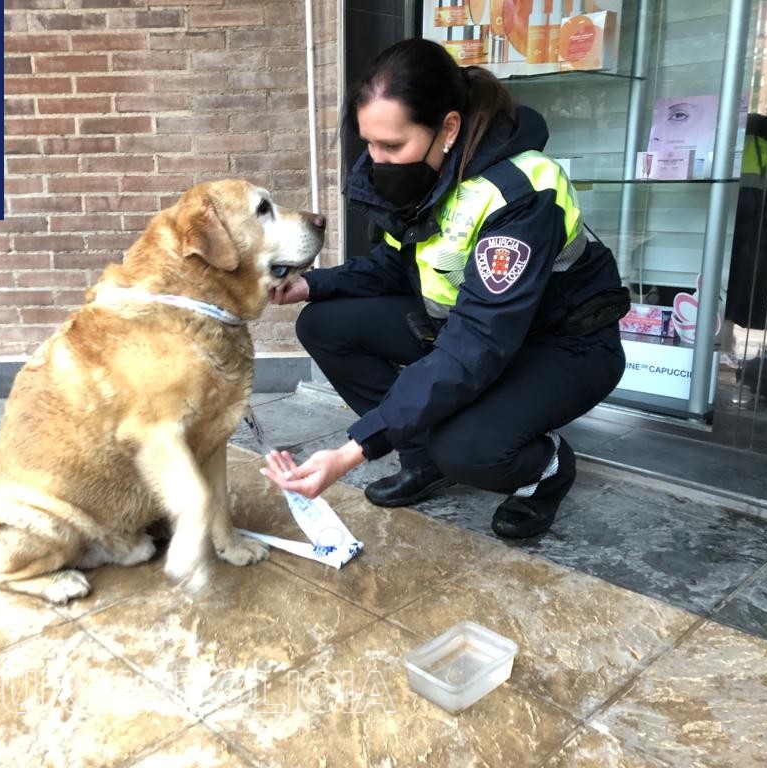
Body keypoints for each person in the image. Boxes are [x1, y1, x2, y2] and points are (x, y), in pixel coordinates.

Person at [260, 39, 628, 539]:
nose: (377, 160)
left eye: (392, 145)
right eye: (369, 143)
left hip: (563, 345)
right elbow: (394, 266)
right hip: (475, 329)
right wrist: (310, 285)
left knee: (466, 450)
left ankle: (549, 469)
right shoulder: (428, 178)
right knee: (325, 323)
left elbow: (476, 344)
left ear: (448, 128)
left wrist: (354, 448)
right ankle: (421, 458)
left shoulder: (520, 194)